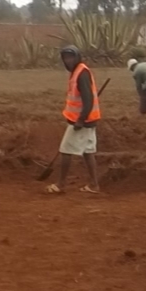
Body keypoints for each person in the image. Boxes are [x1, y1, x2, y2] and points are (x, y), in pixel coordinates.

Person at [49, 45, 102, 194]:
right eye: (65, 58)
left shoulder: (81, 73)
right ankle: (94, 185)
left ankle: (61, 185)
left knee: (65, 150)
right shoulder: (78, 72)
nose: (68, 60)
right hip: (89, 120)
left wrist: (80, 120)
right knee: (88, 151)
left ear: (77, 57)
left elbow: (88, 100)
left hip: (81, 121)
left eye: (71, 57)